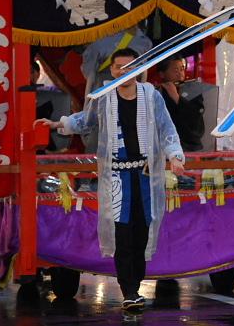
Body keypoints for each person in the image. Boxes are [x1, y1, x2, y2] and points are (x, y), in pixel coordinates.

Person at [35, 47, 186, 312]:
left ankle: (134, 285)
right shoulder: (104, 97)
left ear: (139, 69)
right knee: (123, 234)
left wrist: (175, 155)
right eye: (119, 67)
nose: (124, 72)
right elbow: (86, 120)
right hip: (117, 177)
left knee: (141, 233)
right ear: (112, 70)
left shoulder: (151, 96)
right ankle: (130, 291)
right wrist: (59, 124)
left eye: (130, 67)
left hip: (145, 176)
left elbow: (166, 127)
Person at [156, 54, 205, 152]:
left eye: (182, 69)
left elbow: (195, 117)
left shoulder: (193, 89)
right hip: (166, 146)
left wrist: (176, 97)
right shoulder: (157, 93)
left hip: (190, 145)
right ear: (162, 74)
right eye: (175, 70)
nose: (180, 74)